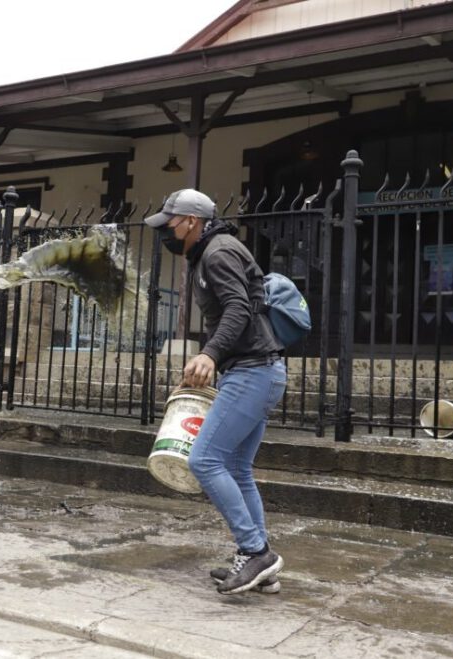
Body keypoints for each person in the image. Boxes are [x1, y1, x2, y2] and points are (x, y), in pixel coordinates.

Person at [145, 189, 287, 595]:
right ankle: (261, 565)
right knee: (238, 468)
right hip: (257, 370)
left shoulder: (218, 252)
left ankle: (255, 550)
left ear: (191, 221)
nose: (165, 232)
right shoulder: (214, 250)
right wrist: (208, 363)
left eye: (169, 223)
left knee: (205, 459)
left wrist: (209, 353)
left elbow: (238, 308)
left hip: (253, 371)